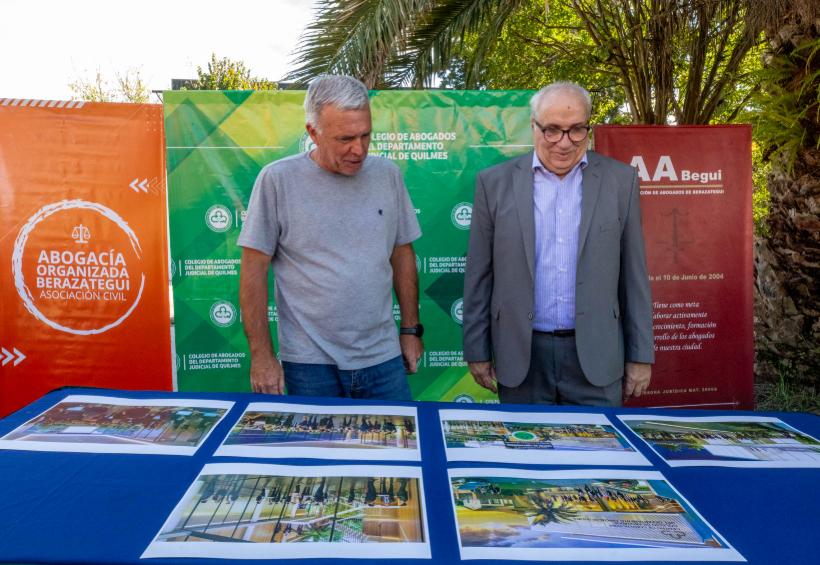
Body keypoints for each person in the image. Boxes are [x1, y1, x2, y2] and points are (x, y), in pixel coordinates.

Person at [462, 82, 654, 406]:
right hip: (521, 357)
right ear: (534, 126)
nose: (564, 143)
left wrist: (640, 355)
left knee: (600, 454)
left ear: (588, 128)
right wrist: (476, 349)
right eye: (552, 130)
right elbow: (479, 275)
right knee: (525, 453)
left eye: (576, 130)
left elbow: (634, 276)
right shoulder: (494, 184)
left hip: (596, 357)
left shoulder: (621, 182)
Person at [238, 74, 423, 400]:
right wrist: (262, 357)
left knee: (396, 448)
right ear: (313, 132)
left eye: (366, 135)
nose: (359, 149)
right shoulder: (277, 180)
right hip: (309, 363)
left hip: (382, 356)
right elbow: (253, 270)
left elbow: (402, 253)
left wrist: (410, 330)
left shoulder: (387, 175)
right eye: (345, 138)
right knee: (318, 451)